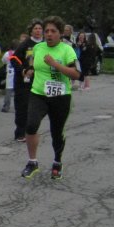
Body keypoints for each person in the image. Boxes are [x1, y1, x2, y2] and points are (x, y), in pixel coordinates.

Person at [21, 16, 81, 180]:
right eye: (46, 31)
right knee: (31, 125)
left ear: (60, 34)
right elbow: (32, 64)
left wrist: (55, 64)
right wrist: (28, 70)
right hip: (38, 93)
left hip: (60, 96)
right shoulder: (38, 48)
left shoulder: (67, 50)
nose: (48, 34)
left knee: (57, 132)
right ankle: (32, 162)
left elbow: (76, 74)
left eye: (53, 31)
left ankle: (57, 161)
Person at [12, 20, 43, 142]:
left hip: (39, 80)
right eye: (35, 28)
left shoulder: (45, 44)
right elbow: (14, 58)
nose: (38, 31)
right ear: (31, 30)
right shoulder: (25, 44)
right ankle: (20, 132)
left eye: (40, 28)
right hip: (24, 82)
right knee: (22, 107)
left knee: (36, 108)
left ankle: (31, 131)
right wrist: (23, 70)